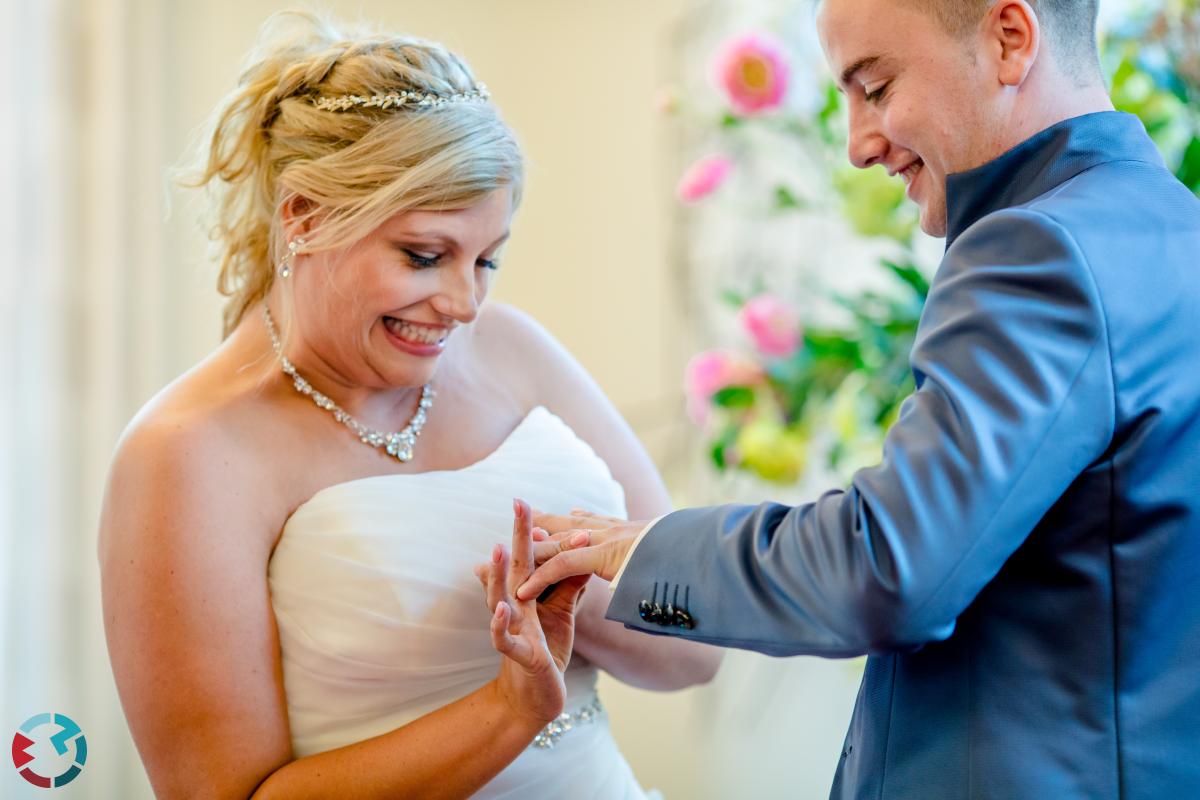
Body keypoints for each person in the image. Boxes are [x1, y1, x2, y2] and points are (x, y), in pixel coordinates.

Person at [518, 0, 1200, 797]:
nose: (856, 145)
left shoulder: (1033, 251)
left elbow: (887, 570)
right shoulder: (1176, 229)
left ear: (1010, 39)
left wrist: (641, 552)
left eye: (874, 88)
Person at [96, 11, 720, 799]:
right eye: (425, 256)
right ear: (304, 217)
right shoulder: (188, 453)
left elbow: (697, 651)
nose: (463, 304)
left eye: (488, 259)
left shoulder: (514, 348)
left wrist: (569, 595)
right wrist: (505, 710)